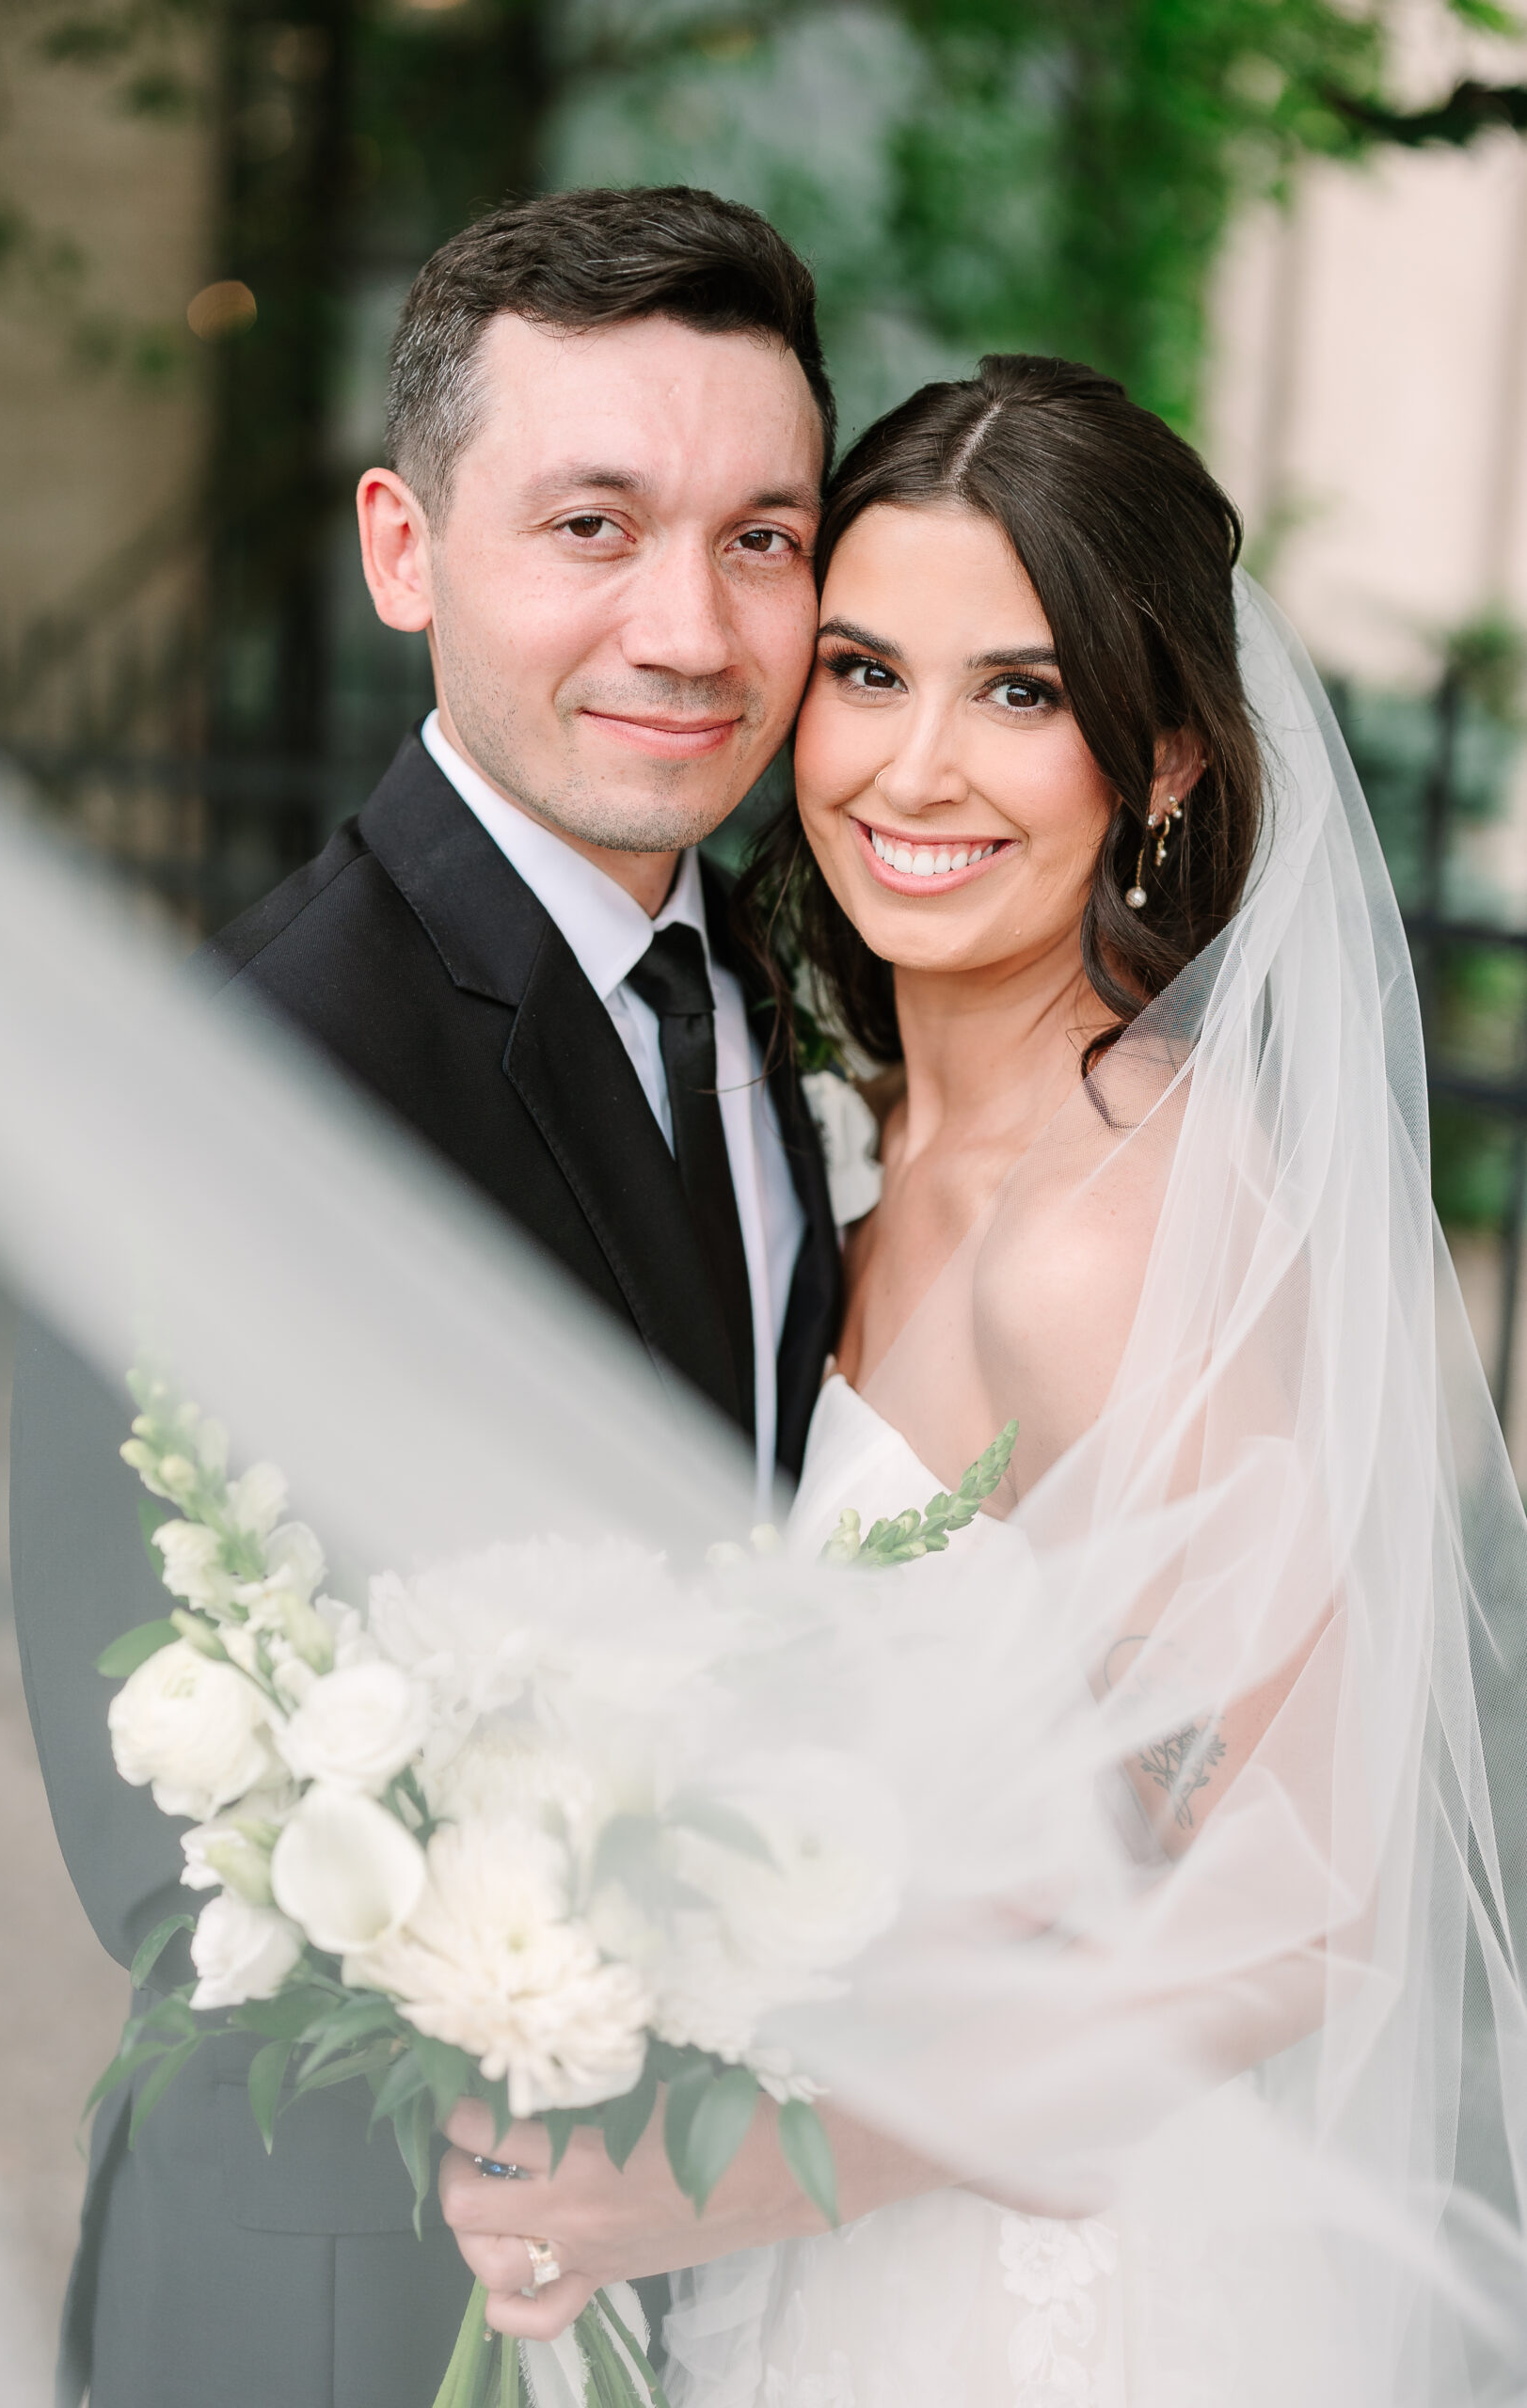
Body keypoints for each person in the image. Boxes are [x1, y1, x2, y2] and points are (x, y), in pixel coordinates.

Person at [432, 356, 1527, 2401]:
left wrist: (727, 2182)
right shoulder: (841, 1128)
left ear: (1167, 757)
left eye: (1016, 693)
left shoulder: (1112, 1224)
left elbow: (1286, 1902)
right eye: (862, 669)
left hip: (1025, 2299)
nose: (909, 767)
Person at [9, 185, 843, 2408]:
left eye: (761, 536)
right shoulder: (241, 1082)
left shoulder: (761, 987)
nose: (689, 622)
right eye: (592, 522)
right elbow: (169, 1834)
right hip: (356, 2299)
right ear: (405, 551)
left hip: (708, 2259)